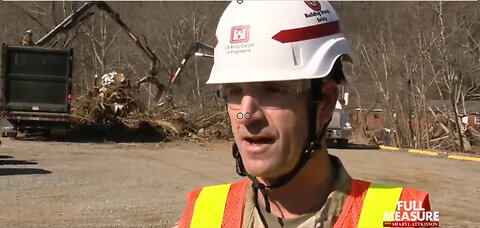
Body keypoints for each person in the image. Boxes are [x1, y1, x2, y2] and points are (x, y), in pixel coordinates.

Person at [178, 1, 431, 227]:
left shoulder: (399, 217)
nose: (246, 115)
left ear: (325, 103)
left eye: (273, 89)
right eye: (233, 91)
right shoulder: (203, 214)